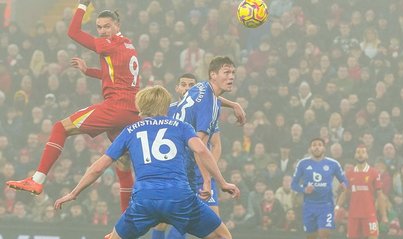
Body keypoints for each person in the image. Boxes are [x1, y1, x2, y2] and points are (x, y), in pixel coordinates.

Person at [53, 85, 240, 239]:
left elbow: (98, 167)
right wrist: (222, 182)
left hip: (144, 200)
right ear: (166, 107)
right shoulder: (181, 127)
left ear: (141, 106)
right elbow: (201, 149)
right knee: (223, 236)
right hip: (179, 197)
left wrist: (74, 193)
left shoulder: (130, 130)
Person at [7, 0, 139, 212]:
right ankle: (127, 220)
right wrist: (88, 71)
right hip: (132, 111)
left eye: (107, 26)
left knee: (60, 127)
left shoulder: (109, 44)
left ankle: (37, 179)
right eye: (99, 27)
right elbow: (116, 76)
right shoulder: (128, 44)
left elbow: (73, 32)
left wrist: (82, 5)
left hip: (116, 107)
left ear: (117, 25)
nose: (103, 31)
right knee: (123, 164)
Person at [153, 73, 245, 239]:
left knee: (216, 229)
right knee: (165, 221)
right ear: (177, 88)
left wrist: (209, 170)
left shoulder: (207, 110)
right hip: (178, 174)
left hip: (201, 175)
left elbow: (216, 145)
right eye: (183, 84)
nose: (187, 88)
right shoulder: (169, 110)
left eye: (191, 85)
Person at [291, 138, 347, 239]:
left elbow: (344, 182)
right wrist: (304, 189)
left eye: (319, 145)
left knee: (324, 234)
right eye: (314, 145)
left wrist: (343, 186)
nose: (317, 147)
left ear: (324, 148)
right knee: (311, 236)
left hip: (326, 206)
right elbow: (293, 184)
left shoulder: (333, 164)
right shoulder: (303, 164)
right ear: (310, 148)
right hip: (309, 206)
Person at [336, 145, 388, 239]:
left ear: (367, 155)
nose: (360, 155)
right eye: (358, 152)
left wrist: (384, 215)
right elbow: (345, 193)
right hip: (353, 215)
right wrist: (337, 207)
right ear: (355, 155)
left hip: (369, 214)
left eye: (363, 152)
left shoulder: (374, 173)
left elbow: (380, 195)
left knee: (373, 237)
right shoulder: (349, 173)